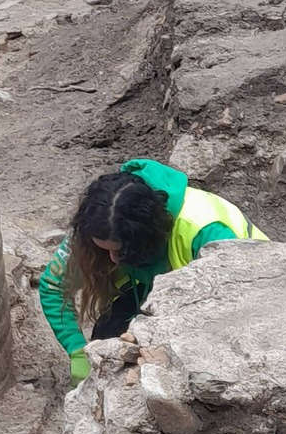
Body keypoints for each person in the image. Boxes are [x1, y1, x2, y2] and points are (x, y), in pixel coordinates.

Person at [40, 158, 268, 381]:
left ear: (146, 237)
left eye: (119, 251)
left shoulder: (207, 231)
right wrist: (77, 350)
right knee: (109, 344)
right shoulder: (102, 218)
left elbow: (233, 312)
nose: (111, 259)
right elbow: (54, 286)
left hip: (246, 296)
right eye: (103, 250)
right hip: (153, 285)